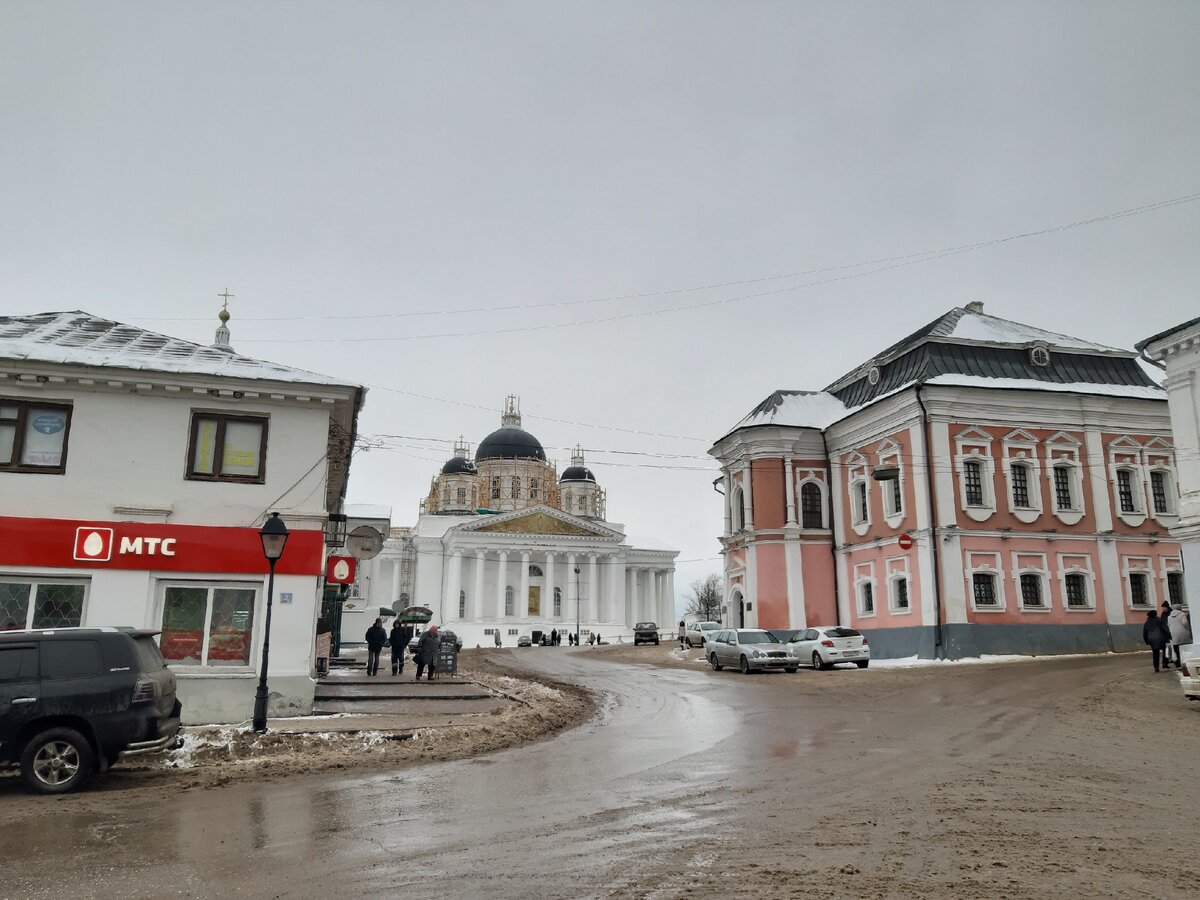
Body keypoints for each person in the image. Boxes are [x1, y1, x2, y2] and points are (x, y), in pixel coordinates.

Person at [1167, 605, 1192, 669]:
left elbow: (1168, 625)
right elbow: (1185, 623)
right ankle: (1185, 661)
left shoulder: (1169, 617)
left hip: (1173, 633)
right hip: (1183, 633)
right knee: (1185, 648)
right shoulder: (1182, 614)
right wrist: (1188, 629)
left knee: (1176, 648)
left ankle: (1178, 663)